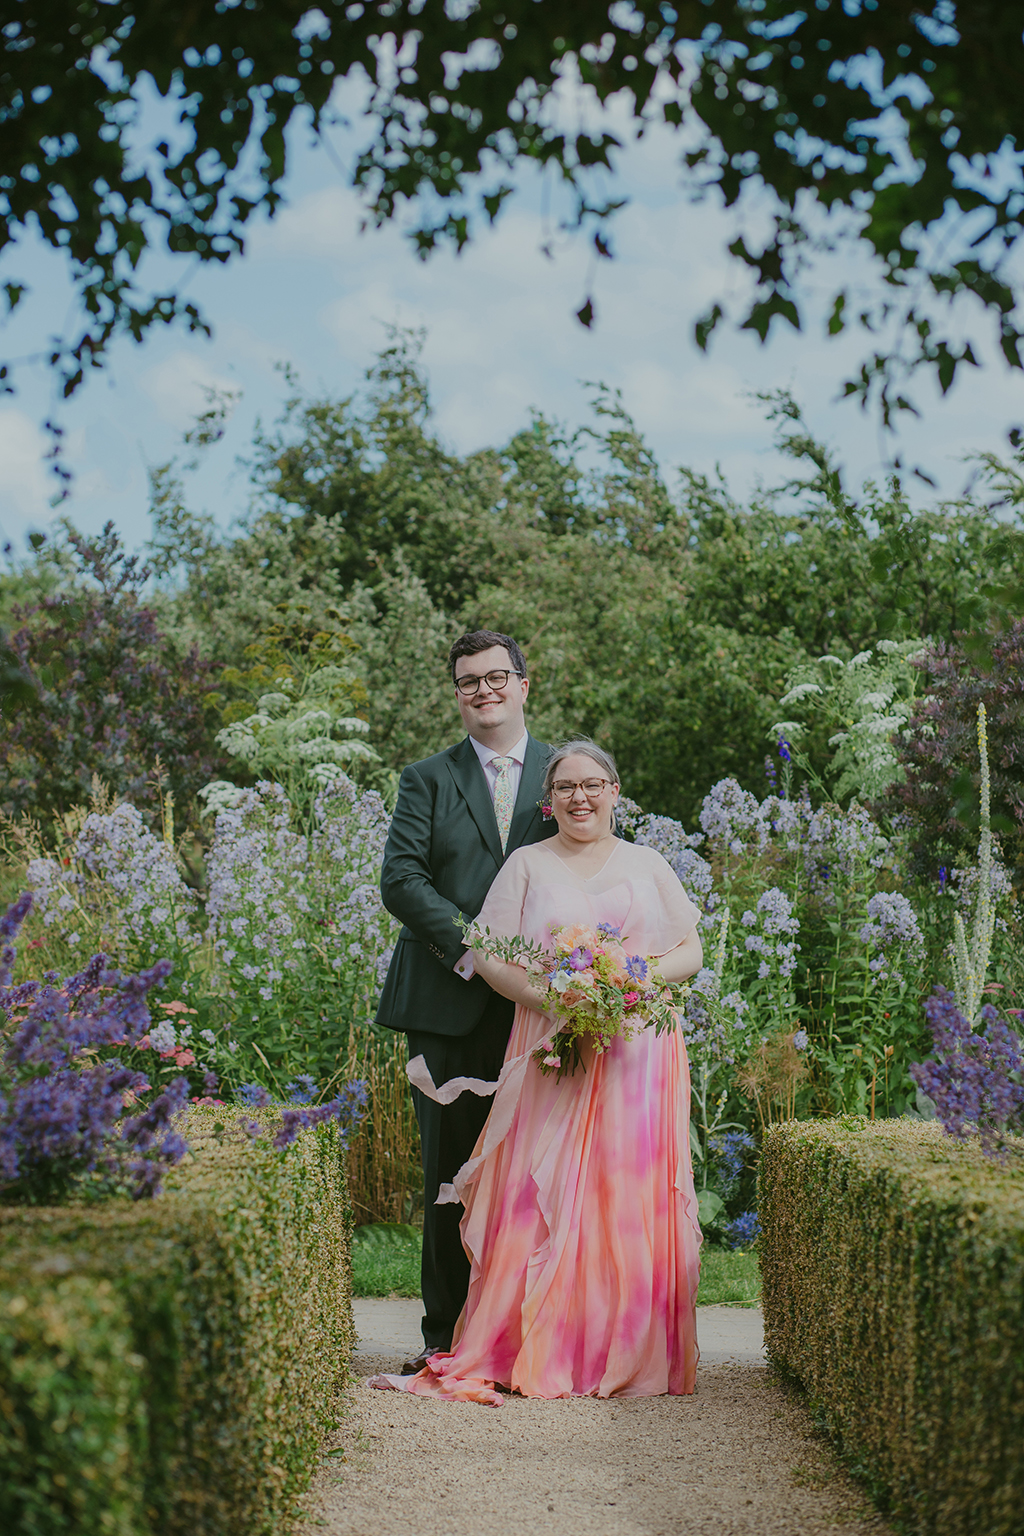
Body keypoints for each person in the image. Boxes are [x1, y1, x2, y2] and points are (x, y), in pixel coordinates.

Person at [371, 739, 704, 1403]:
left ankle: (620, 1346)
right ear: (548, 804)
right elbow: (490, 953)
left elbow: (689, 949)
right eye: (565, 788)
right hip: (552, 1043)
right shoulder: (527, 865)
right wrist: (553, 1000)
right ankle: (538, 1344)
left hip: (637, 1051)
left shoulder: (646, 864)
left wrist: (626, 983)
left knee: (622, 1192)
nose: (580, 796)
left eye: (593, 784)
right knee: (538, 1188)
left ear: (615, 791)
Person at [375, 629, 556, 1372]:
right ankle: (445, 1334)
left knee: (537, 1170)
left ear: (523, 684)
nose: (482, 691)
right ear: (458, 694)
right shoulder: (426, 779)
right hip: (446, 1002)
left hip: (543, 1006)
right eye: (467, 682)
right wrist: (476, 950)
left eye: (495, 677)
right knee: (451, 1174)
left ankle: (527, 1332)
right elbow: (402, 880)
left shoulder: (565, 773)